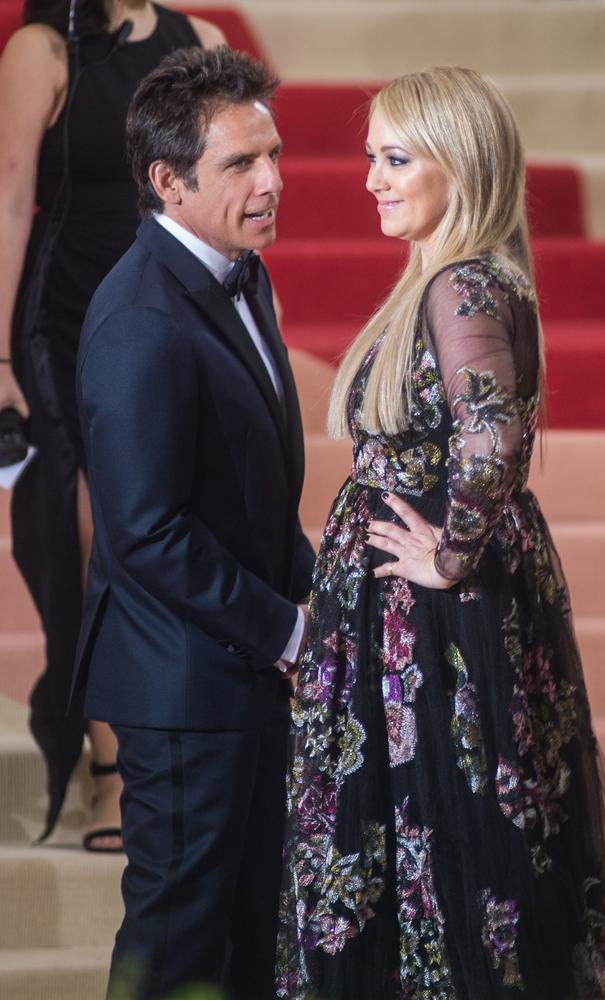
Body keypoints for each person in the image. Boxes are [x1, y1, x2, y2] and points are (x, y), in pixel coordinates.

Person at [276, 67, 605, 999]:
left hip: (433, 630)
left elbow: (492, 434)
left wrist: (446, 556)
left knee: (447, 857)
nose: (372, 180)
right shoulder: (448, 280)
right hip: (420, 617)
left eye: (397, 159)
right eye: (372, 158)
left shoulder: (464, 283)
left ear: (463, 164)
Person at [70, 44, 315, 1000]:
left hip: (241, 671)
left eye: (275, 154)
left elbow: (254, 498)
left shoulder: (237, 272)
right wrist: (288, 630)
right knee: (177, 939)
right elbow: (145, 534)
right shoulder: (140, 317)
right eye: (242, 165)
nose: (274, 181)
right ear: (169, 182)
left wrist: (312, 592)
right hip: (182, 689)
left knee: (257, 928)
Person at [0, 0, 225, 850]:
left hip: (168, 322)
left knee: (183, 528)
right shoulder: (40, 48)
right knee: (92, 538)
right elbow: (9, 201)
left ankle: (179, 747)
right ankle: (108, 767)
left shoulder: (197, 42)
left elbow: (226, 188)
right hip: (62, 323)